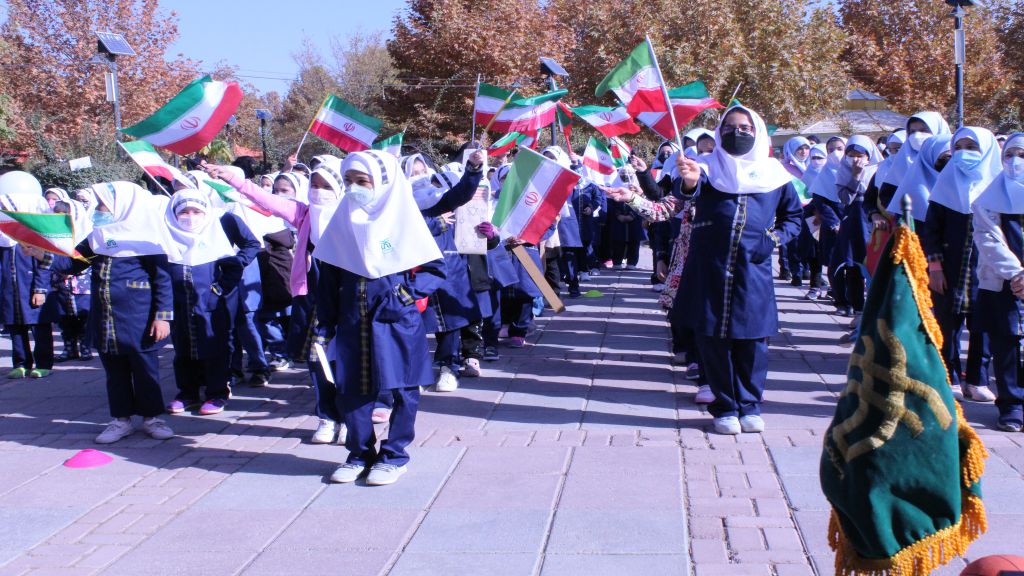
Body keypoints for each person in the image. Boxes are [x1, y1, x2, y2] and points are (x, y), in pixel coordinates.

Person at [607, 105, 802, 435]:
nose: (737, 133)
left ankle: (750, 405)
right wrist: (688, 182)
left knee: (753, 340)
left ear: (758, 132)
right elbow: (678, 198)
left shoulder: (775, 175)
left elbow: (793, 218)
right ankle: (725, 407)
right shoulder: (706, 168)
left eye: (745, 128)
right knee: (712, 340)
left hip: (753, 269)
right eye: (729, 127)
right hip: (709, 267)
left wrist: (773, 240)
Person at [313, 150, 446, 485]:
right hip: (352, 321)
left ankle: (394, 455)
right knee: (352, 390)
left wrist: (405, 295)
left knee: (402, 388)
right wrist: (324, 325)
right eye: (348, 181)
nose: (354, 188)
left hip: (396, 321)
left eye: (362, 181)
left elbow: (434, 268)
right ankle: (359, 454)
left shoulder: (404, 219)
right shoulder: (342, 221)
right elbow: (327, 280)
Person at [208, 157, 349, 444]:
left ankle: (349, 417)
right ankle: (327, 417)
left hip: (347, 297)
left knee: (348, 359)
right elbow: (267, 200)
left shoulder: (352, 216)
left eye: (326, 186)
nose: (319, 191)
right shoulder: (304, 214)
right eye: (314, 185)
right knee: (318, 359)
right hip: (313, 296)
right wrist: (233, 179)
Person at [43, 182, 178, 444]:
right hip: (106, 319)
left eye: (104, 205)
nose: (99, 210)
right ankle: (121, 420)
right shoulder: (99, 237)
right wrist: (41, 253)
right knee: (115, 372)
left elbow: (162, 280)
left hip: (139, 318)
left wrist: (163, 316)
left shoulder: (147, 237)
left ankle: (152, 418)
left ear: (122, 206)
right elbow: (71, 263)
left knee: (145, 370)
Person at [163, 189, 261, 415]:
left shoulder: (217, 233)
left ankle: (217, 392)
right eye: (184, 212)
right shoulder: (167, 236)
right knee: (183, 346)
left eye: (196, 211)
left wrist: (219, 288)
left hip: (212, 303)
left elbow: (237, 264)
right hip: (180, 304)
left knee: (215, 345)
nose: (190, 217)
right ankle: (187, 393)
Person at [924, 126, 1000, 403]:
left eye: (972, 147)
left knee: (984, 326)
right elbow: (932, 231)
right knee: (948, 326)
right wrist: (935, 268)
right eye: (959, 147)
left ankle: (978, 379)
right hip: (950, 269)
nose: (964, 153)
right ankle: (950, 376)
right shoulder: (945, 185)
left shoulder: (1000, 187)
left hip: (988, 271)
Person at [412, 152, 486, 391]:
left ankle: (449, 367)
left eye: (421, 172)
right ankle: (415, 372)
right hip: (412, 269)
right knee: (412, 323)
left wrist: (473, 168)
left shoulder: (438, 201)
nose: (418, 178)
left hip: (446, 267)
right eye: (412, 173)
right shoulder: (398, 205)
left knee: (449, 320)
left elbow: (462, 192)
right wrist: (435, 224)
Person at [973, 132, 1024, 431]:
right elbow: (987, 239)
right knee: (1005, 344)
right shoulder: (988, 198)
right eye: (1010, 154)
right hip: (1003, 282)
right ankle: (1011, 405)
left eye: (1022, 155)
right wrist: (1017, 274)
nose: (1015, 161)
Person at [0, 172, 54, 379]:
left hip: (31, 286)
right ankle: (21, 363)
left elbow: (44, 264)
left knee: (39, 326)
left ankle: (44, 363)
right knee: (14, 325)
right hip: (10, 287)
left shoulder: (36, 233)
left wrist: (40, 289)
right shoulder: (3, 236)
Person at [830, 136, 884, 327]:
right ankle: (858, 310)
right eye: (851, 155)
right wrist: (855, 176)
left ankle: (875, 310)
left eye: (860, 155)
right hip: (853, 222)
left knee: (875, 266)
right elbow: (845, 199)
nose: (855, 159)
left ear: (869, 155)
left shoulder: (880, 170)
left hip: (874, 221)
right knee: (853, 266)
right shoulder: (843, 171)